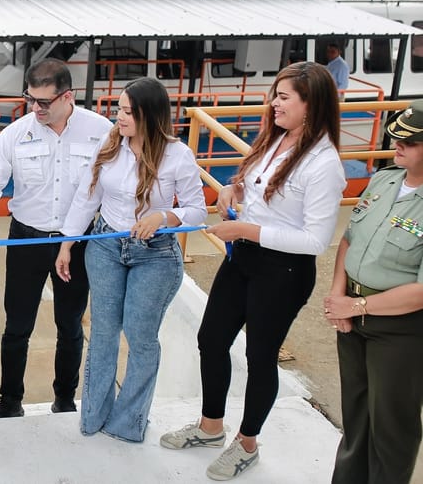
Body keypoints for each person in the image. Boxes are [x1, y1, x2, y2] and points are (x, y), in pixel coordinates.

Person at [160, 61, 345, 481]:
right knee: (211, 339)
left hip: (282, 271)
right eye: (274, 94)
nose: (273, 103)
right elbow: (258, 188)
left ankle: (246, 444)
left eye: (283, 97)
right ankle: (210, 426)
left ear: (310, 105)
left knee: (260, 357)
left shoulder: (324, 165)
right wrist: (234, 189)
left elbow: (315, 241)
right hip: (244, 257)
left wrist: (244, 227)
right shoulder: (275, 140)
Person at [0, 58, 112, 418]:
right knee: (17, 326)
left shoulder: (101, 131)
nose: (35, 108)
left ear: (67, 97)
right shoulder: (15, 134)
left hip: (77, 242)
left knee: (70, 325)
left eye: (44, 102)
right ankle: (11, 401)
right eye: (30, 99)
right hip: (26, 240)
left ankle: (64, 400)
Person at [55, 77, 206, 442]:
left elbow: (198, 211)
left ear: (149, 116)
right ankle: (93, 415)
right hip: (106, 246)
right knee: (104, 333)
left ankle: (128, 422)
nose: (118, 117)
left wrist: (164, 218)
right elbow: (87, 197)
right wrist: (67, 244)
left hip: (154, 256)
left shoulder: (177, 155)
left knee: (140, 336)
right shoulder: (110, 144)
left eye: (126, 111)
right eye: (118, 109)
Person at [325, 102, 423, 484]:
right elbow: (349, 239)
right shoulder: (385, 180)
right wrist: (339, 301)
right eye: (394, 138)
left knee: (391, 426)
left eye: (409, 142)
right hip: (354, 315)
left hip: (399, 329)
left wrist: (357, 304)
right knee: (356, 416)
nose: (396, 145)